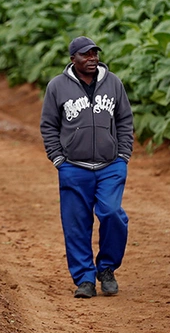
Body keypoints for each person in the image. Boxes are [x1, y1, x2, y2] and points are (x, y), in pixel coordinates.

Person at [40, 36, 134, 299]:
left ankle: (106, 269)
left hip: (110, 165)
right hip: (73, 167)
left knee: (112, 213)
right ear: (73, 59)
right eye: (86, 55)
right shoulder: (57, 87)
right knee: (76, 224)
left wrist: (123, 154)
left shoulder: (113, 82)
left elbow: (125, 119)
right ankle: (84, 279)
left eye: (95, 53)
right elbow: (48, 125)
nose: (92, 58)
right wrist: (58, 159)